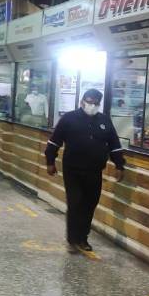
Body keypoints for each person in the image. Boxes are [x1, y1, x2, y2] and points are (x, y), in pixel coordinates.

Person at [44, 88, 126, 253]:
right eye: (90, 102)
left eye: (96, 103)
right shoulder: (69, 119)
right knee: (75, 203)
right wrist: (50, 161)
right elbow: (54, 142)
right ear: (82, 102)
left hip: (94, 171)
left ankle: (83, 238)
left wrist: (119, 165)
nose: (93, 105)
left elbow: (114, 144)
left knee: (90, 204)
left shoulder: (104, 121)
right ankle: (73, 238)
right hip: (73, 170)